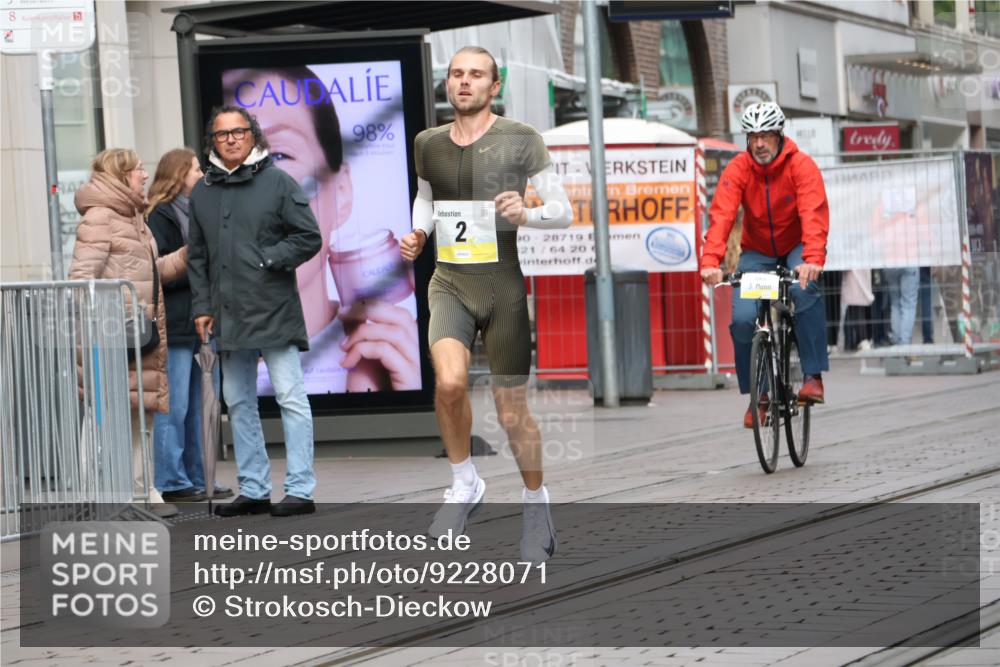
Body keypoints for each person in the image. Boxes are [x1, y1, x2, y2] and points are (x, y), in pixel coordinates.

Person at [399, 47, 572, 563]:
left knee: (510, 409)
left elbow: (561, 211)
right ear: (447, 84)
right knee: (449, 381)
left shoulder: (521, 139)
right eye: (457, 74)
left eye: (476, 75)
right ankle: (464, 481)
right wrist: (417, 231)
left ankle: (536, 504)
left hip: (503, 288)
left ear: (494, 86)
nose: (465, 82)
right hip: (448, 282)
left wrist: (527, 213)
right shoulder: (427, 142)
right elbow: (427, 198)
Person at [221, 66, 420, 395]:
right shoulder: (212, 363)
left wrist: (410, 393)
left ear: (340, 191)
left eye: (279, 155)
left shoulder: (388, 356)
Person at [188, 106, 322, 518]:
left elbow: (308, 237)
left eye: (238, 132)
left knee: (290, 397)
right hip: (227, 314)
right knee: (239, 401)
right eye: (222, 134)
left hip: (273, 308)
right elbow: (197, 256)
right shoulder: (202, 192)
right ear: (213, 141)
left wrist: (266, 260)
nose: (230, 139)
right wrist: (201, 307)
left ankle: (300, 489)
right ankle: (254, 488)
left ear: (252, 135)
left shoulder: (278, 182)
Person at [69, 148, 189, 518]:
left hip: (141, 338)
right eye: (139, 170)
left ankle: (142, 491)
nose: (144, 175)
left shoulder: (134, 216)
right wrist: (118, 313)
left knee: (141, 414)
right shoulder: (101, 216)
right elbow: (81, 279)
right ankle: (95, 497)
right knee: (104, 416)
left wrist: (190, 253)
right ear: (121, 176)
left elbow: (149, 270)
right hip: (112, 339)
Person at [699, 102, 830, 428]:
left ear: (779, 135)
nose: (759, 143)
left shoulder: (801, 165)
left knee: (804, 291)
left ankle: (812, 375)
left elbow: (813, 214)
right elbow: (722, 217)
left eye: (766, 135)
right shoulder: (739, 169)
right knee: (743, 319)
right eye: (753, 136)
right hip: (757, 252)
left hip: (796, 245)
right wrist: (710, 261)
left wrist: (812, 259)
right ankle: (759, 395)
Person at [146, 147, 233, 503]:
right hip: (177, 325)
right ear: (178, 175)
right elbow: (158, 274)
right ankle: (171, 480)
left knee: (201, 406)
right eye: (195, 169)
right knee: (175, 404)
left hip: (201, 323)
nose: (201, 174)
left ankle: (200, 477)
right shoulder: (160, 217)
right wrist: (196, 263)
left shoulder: (197, 211)